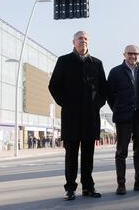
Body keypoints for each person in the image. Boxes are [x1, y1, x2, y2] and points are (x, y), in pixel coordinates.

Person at [49, 31, 107, 201]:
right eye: (80, 38)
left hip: (90, 116)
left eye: (86, 39)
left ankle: (88, 187)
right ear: (73, 42)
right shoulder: (64, 61)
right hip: (71, 117)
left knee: (89, 155)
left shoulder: (97, 63)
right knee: (71, 155)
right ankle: (70, 188)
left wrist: (96, 105)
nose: (84, 41)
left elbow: (104, 89)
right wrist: (65, 103)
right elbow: (53, 86)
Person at [107, 45, 139, 195]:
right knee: (121, 151)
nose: (133, 56)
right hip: (123, 117)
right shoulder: (116, 72)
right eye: (130, 53)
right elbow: (110, 95)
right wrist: (117, 109)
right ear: (124, 54)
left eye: (136, 54)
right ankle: (121, 184)